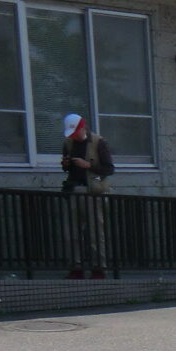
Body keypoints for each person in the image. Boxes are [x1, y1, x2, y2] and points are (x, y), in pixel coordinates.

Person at [60, 113, 113, 279]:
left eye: (75, 131)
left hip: (93, 191)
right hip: (74, 188)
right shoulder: (68, 143)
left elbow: (109, 169)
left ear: (83, 127)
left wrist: (88, 165)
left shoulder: (98, 142)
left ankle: (99, 267)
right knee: (72, 232)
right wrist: (66, 164)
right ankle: (76, 267)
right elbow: (66, 168)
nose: (73, 136)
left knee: (96, 231)